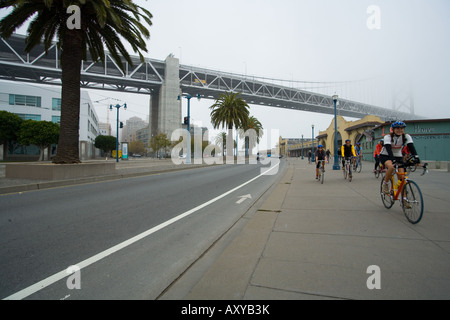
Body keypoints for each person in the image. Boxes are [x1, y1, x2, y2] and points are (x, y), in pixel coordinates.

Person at [380, 121, 420, 196]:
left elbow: (411, 147)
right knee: (391, 167)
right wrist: (393, 160)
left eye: (402, 128)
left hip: (398, 155)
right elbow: (388, 149)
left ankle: (404, 200)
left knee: (402, 179)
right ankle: (385, 184)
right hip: (385, 155)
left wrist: (417, 158)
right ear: (393, 129)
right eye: (397, 128)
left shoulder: (406, 136)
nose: (400, 130)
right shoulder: (387, 137)